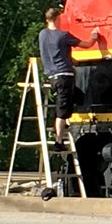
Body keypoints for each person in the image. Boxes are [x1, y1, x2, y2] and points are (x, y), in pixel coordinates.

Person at [38, 8, 98, 152]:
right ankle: (59, 141)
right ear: (58, 19)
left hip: (51, 76)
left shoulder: (42, 34)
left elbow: (55, 52)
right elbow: (86, 44)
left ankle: (72, 120)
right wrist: (94, 36)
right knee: (62, 111)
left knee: (76, 99)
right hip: (64, 76)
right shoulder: (63, 35)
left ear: (47, 20)